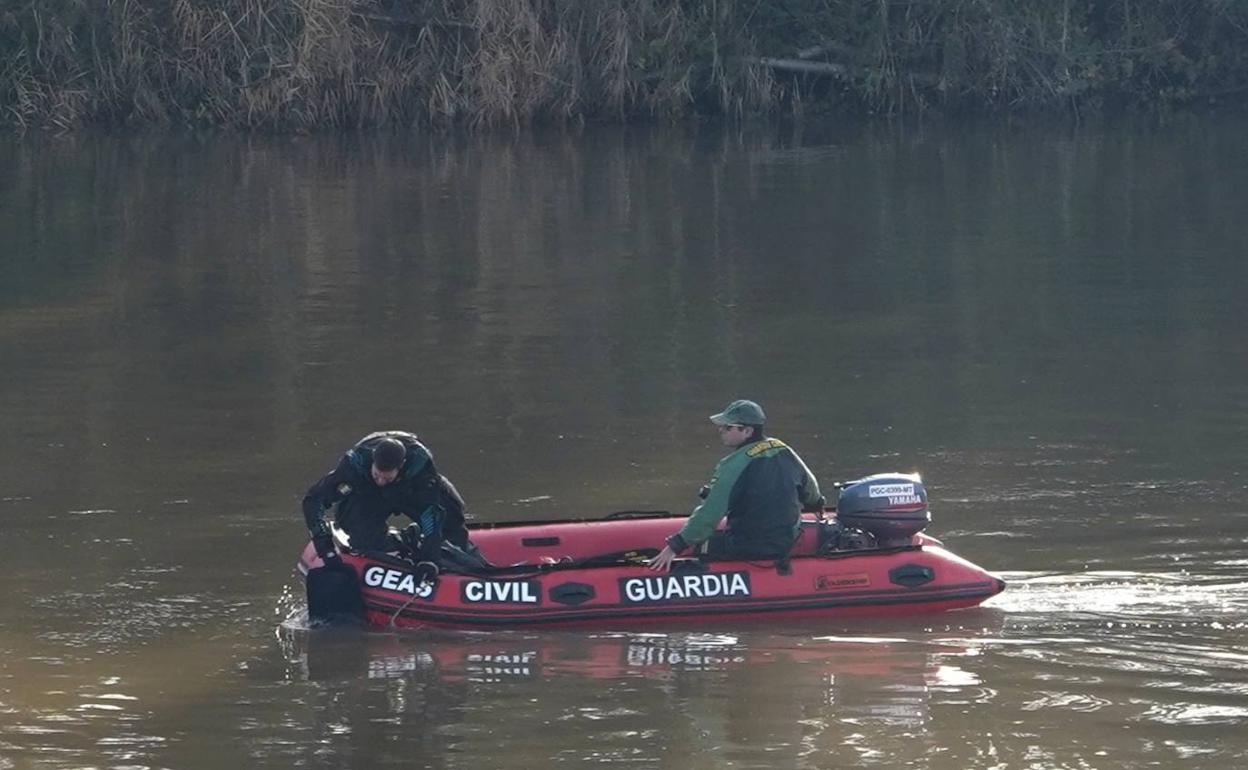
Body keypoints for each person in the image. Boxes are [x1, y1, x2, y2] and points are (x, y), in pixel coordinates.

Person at [648, 399, 823, 572]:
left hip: (749, 546)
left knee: (704, 545)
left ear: (746, 431)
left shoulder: (734, 464)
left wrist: (675, 546)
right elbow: (811, 489)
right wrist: (815, 505)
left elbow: (710, 512)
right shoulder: (784, 450)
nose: (721, 430)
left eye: (727, 427)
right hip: (787, 541)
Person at [301, 430, 475, 564]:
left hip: (408, 489)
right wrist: (324, 545)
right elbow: (313, 501)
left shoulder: (420, 467)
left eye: (387, 477)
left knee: (451, 516)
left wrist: (430, 560)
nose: (382, 480)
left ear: (400, 468)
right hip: (367, 493)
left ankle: (444, 552)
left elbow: (432, 511)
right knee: (363, 540)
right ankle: (404, 541)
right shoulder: (353, 466)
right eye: (378, 474)